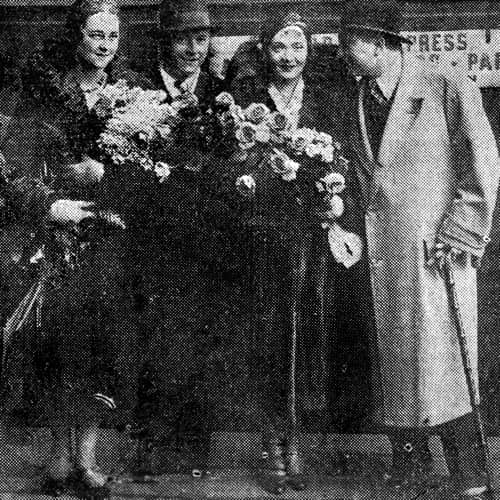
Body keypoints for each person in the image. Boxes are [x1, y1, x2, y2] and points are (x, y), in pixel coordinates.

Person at [338, 1, 500, 498]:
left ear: (384, 44)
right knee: (399, 361)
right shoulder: (360, 97)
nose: (346, 53)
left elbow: (484, 165)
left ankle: (470, 473)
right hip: (386, 252)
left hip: (438, 251)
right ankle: (410, 467)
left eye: (354, 43)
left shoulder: (446, 87)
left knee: (448, 357)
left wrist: (460, 233)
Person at [1, 0, 149, 495]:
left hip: (111, 233)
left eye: (112, 36)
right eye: (95, 35)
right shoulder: (44, 90)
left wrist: (107, 176)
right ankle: (58, 460)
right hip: (56, 237)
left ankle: (86, 459)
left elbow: (153, 168)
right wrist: (53, 205)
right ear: (77, 37)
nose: (104, 45)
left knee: (100, 345)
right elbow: (13, 168)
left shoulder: (132, 93)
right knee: (57, 345)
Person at [225, 10, 346, 495]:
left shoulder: (324, 100)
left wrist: (332, 196)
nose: (288, 57)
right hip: (261, 233)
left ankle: (297, 436)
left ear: (309, 52)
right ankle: (271, 440)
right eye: (279, 47)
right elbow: (229, 159)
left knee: (306, 331)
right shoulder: (246, 100)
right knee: (268, 331)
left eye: (297, 47)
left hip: (311, 237)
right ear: (264, 50)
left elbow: (342, 157)